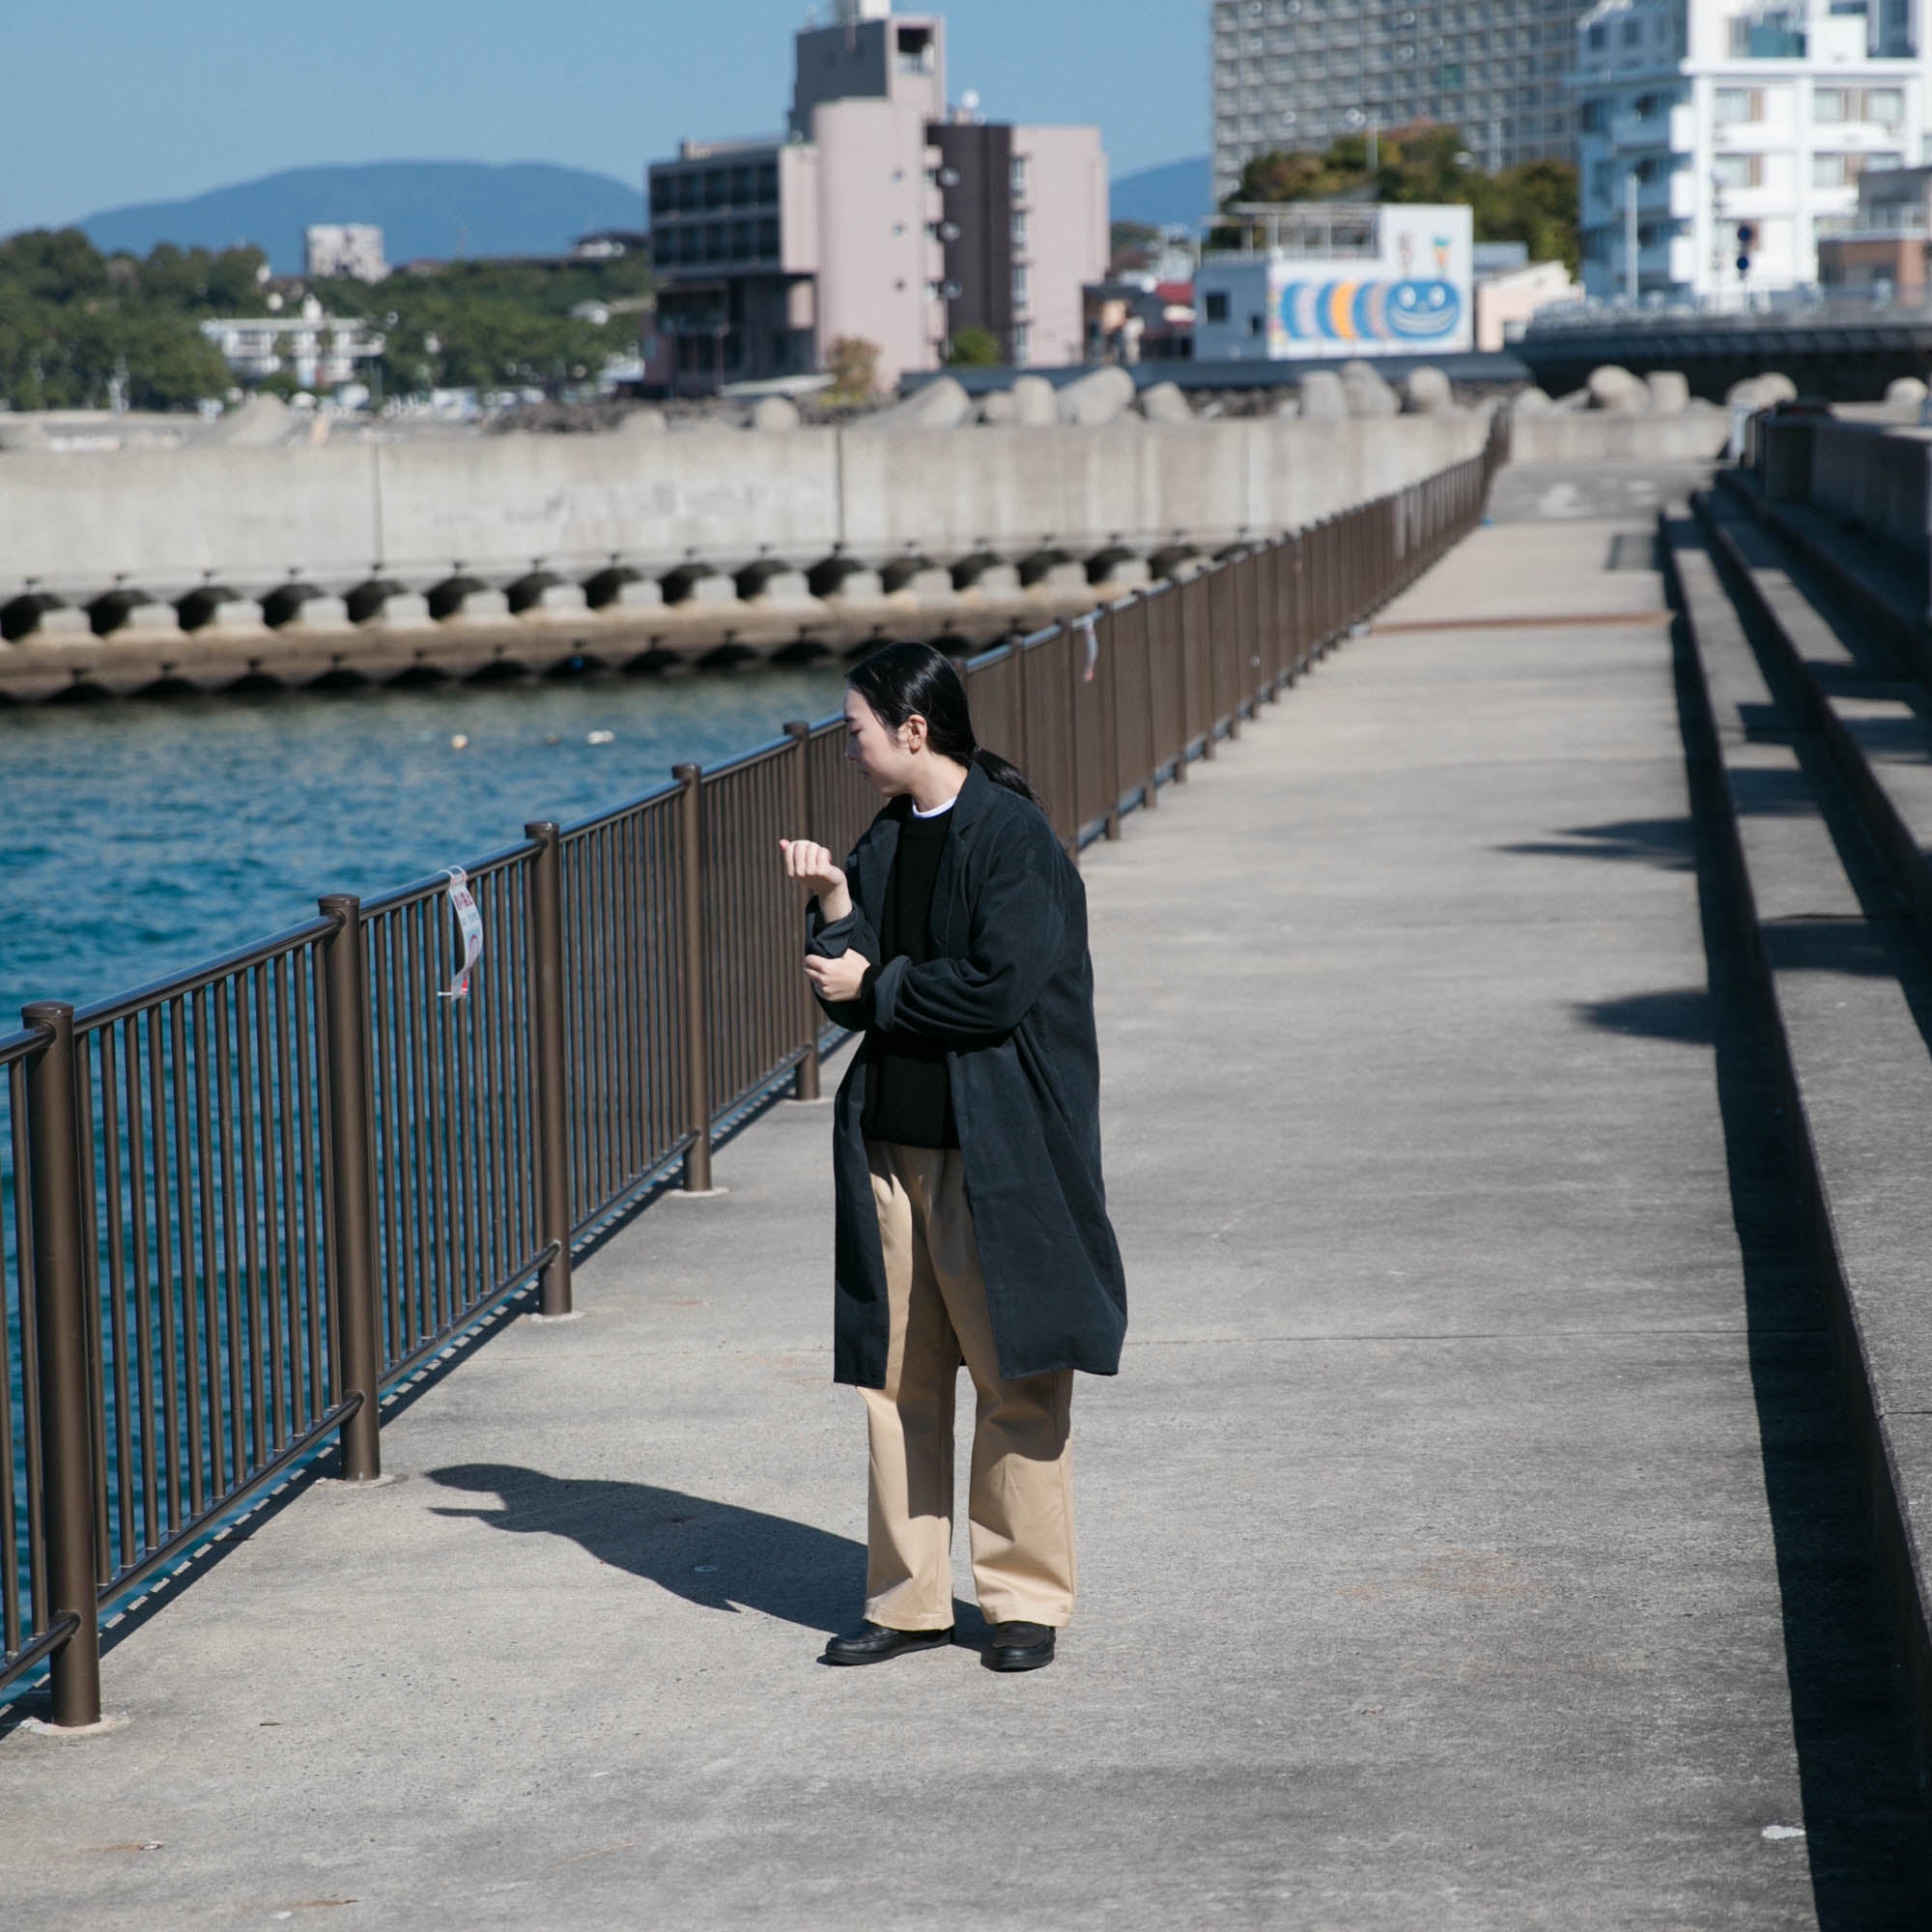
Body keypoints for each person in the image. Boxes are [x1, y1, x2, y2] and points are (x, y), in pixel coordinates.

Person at [778, 640, 1128, 1674]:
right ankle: (909, 1597)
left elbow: (991, 990)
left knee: (1017, 1375)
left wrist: (873, 988)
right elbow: (847, 974)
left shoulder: (1015, 843)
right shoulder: (885, 838)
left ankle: (1021, 1600)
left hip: (996, 1152)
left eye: (855, 729)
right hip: (891, 1144)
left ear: (911, 730)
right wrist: (838, 900)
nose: (847, 748)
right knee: (897, 1382)